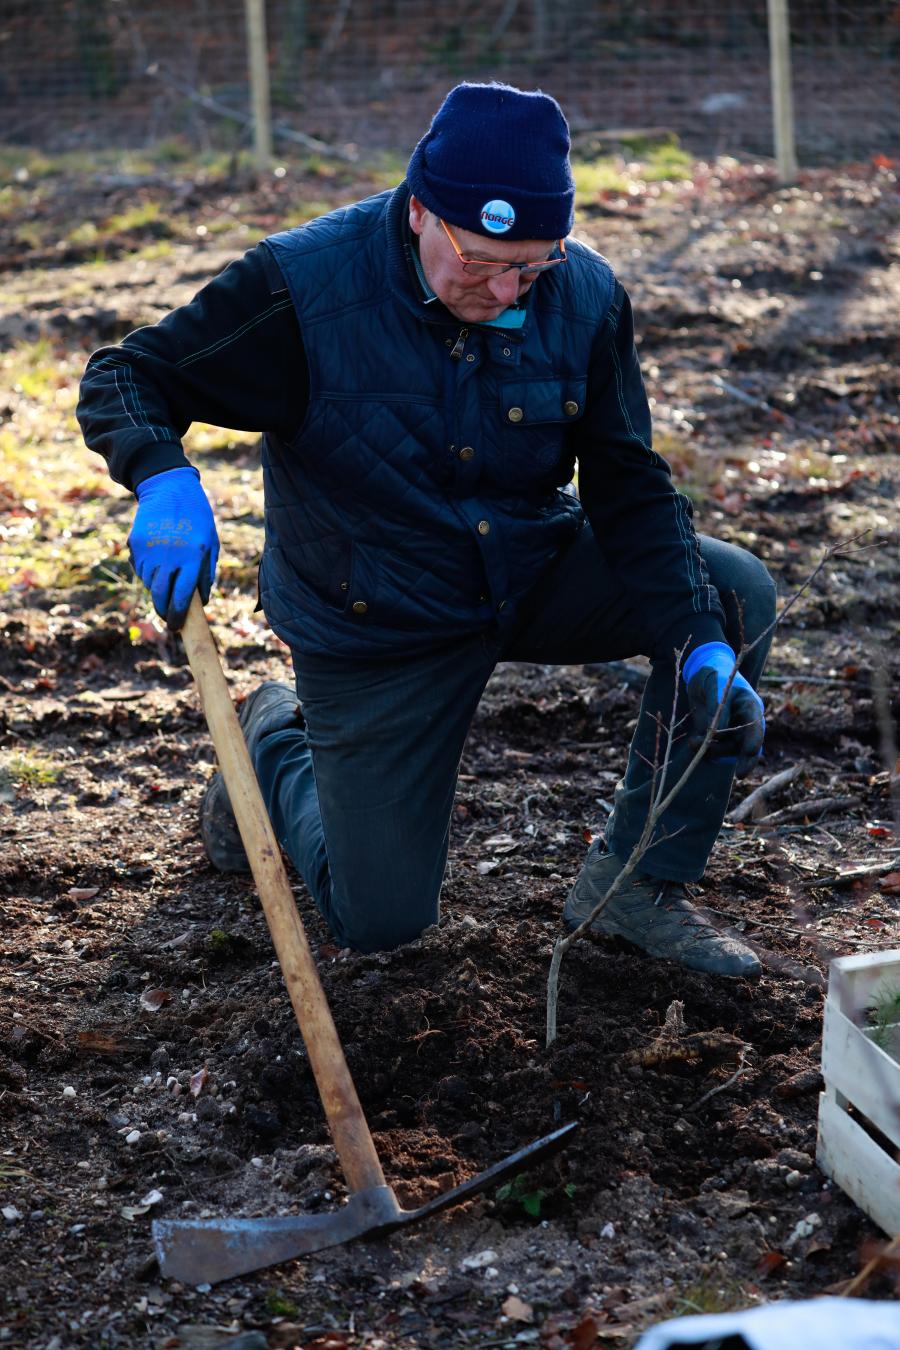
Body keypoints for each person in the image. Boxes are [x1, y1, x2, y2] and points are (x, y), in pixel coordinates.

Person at [77, 82, 775, 979]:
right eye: (480, 261)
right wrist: (163, 477)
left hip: (523, 568)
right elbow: (128, 375)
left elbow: (630, 488)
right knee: (379, 919)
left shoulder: (585, 296)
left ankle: (635, 890)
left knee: (731, 593)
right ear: (419, 214)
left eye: (532, 264)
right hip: (378, 617)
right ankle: (272, 737)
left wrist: (701, 640)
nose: (504, 289)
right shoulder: (305, 288)